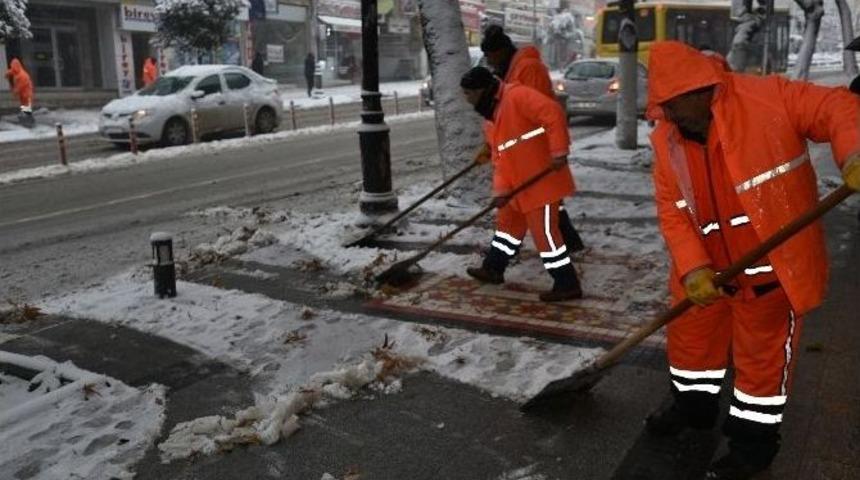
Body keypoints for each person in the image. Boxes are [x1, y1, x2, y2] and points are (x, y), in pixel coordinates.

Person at [645, 41, 860, 479]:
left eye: (677, 104)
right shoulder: (668, 137)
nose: (672, 115)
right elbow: (673, 209)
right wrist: (692, 267)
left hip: (769, 273)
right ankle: (693, 408)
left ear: (703, 88)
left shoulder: (768, 97)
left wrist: (854, 151)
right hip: (706, 273)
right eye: (664, 105)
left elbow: (839, 106)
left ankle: (753, 443)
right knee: (689, 348)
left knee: (761, 369)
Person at [461, 66, 583, 302]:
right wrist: (501, 189)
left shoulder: (517, 96)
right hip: (515, 184)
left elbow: (553, 113)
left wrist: (559, 151)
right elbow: (502, 155)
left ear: (483, 90)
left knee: (545, 236)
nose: (467, 99)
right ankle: (493, 268)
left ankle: (567, 283)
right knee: (507, 227)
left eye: (469, 93)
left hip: (542, 182)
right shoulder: (490, 115)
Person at [477, 25, 586, 262]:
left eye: (492, 56)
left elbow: (533, 113)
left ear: (503, 51)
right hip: (521, 152)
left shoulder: (528, 69)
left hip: (536, 150)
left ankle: (562, 260)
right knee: (543, 205)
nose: (490, 62)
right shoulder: (510, 71)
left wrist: (555, 149)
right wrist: (493, 144)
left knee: (544, 204)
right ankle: (499, 262)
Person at [4, 58, 34, 127]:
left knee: (27, 106)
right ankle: (27, 119)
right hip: (22, 94)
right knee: (24, 106)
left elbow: (20, 86)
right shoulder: (16, 71)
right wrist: (7, 74)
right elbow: (12, 71)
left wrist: (15, 92)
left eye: (14, 66)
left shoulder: (23, 75)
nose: (13, 68)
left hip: (27, 93)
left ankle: (30, 121)